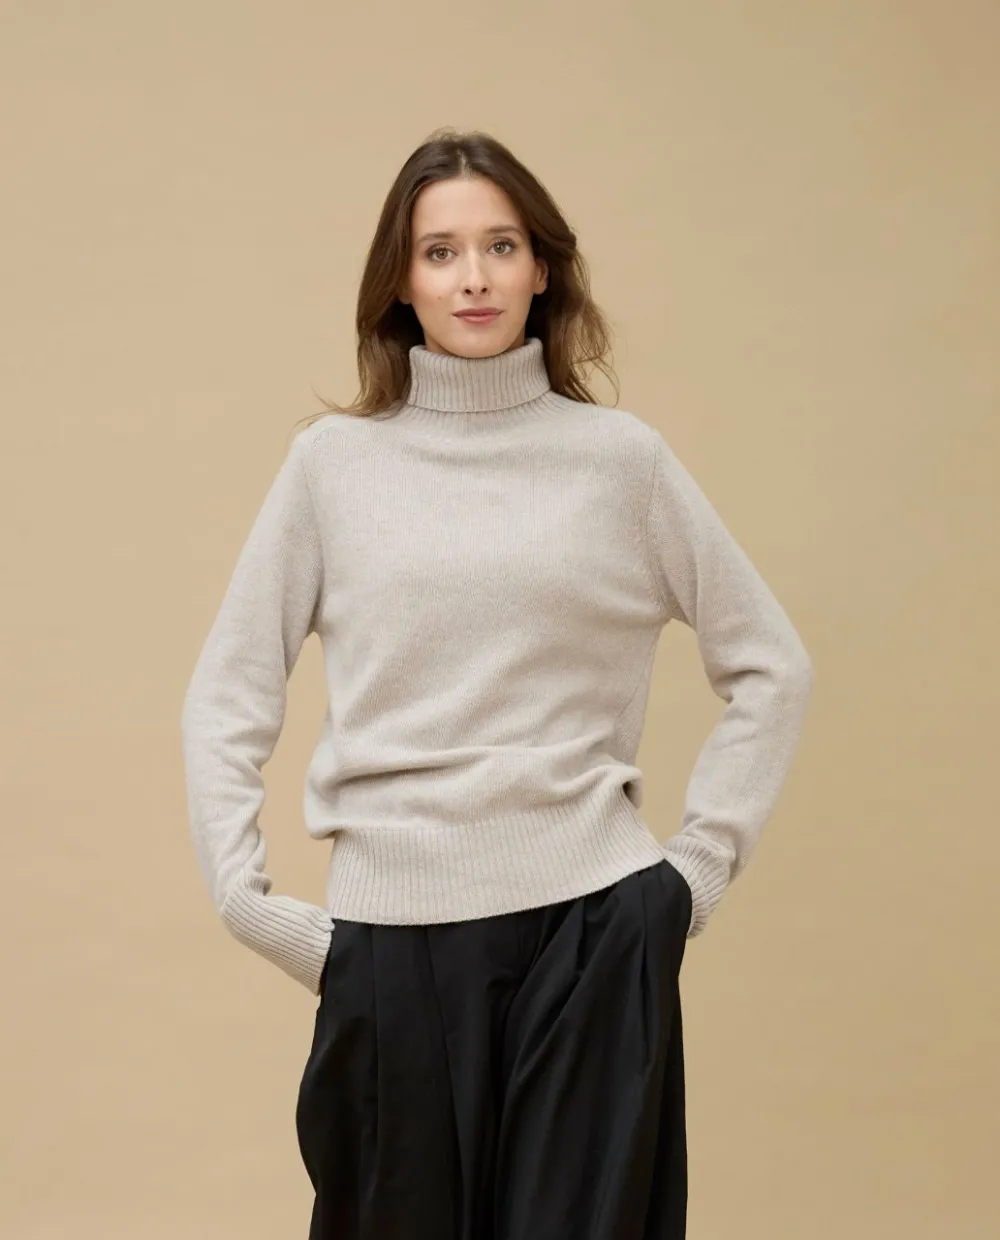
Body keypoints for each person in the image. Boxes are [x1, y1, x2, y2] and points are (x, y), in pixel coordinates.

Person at [180, 127, 814, 1240]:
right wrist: (246, 902)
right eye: (440, 252)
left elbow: (772, 663)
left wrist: (694, 872)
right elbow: (229, 692)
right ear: (400, 281)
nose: (472, 276)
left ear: (542, 269)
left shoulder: (621, 462)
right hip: (392, 942)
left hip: (594, 932)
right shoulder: (332, 469)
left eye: (501, 245)